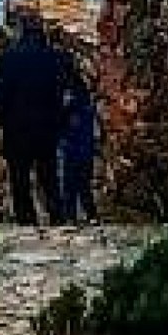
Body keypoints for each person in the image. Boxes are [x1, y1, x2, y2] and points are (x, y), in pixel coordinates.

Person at [0, 8, 73, 227]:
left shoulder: (9, 58)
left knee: (19, 178)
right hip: (47, 127)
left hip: (17, 128)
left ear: (22, 31)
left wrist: (1, 121)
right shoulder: (54, 58)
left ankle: (26, 220)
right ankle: (57, 217)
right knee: (49, 176)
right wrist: (60, 120)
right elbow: (63, 92)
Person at [58, 73, 101, 225]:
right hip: (85, 150)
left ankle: (71, 216)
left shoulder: (69, 108)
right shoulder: (89, 108)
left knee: (70, 185)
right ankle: (90, 215)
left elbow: (61, 127)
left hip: (72, 150)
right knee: (84, 185)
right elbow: (96, 133)